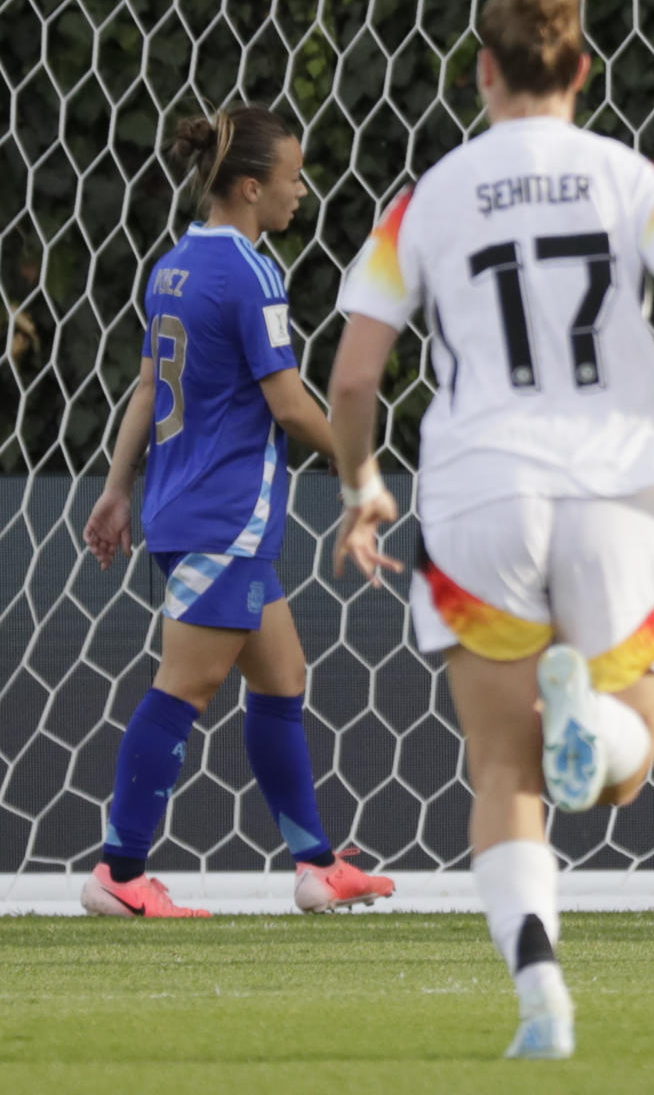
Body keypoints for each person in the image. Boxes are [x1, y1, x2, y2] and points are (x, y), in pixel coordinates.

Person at [328, 0, 654, 1059]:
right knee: (627, 772)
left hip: (480, 486)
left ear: (483, 71)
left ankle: (541, 989)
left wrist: (361, 483)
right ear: (582, 66)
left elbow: (351, 378)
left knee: (500, 769)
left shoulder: (426, 196)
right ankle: (599, 723)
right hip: (618, 480)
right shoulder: (635, 177)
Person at [79, 106, 395, 919]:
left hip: (187, 507)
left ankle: (317, 866)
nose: (302, 191)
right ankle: (119, 873)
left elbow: (150, 388)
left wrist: (118, 489)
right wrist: (360, 467)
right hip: (226, 516)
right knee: (184, 687)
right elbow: (289, 406)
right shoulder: (253, 274)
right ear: (251, 187)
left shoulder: (175, 266)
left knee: (282, 676)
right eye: (293, 178)